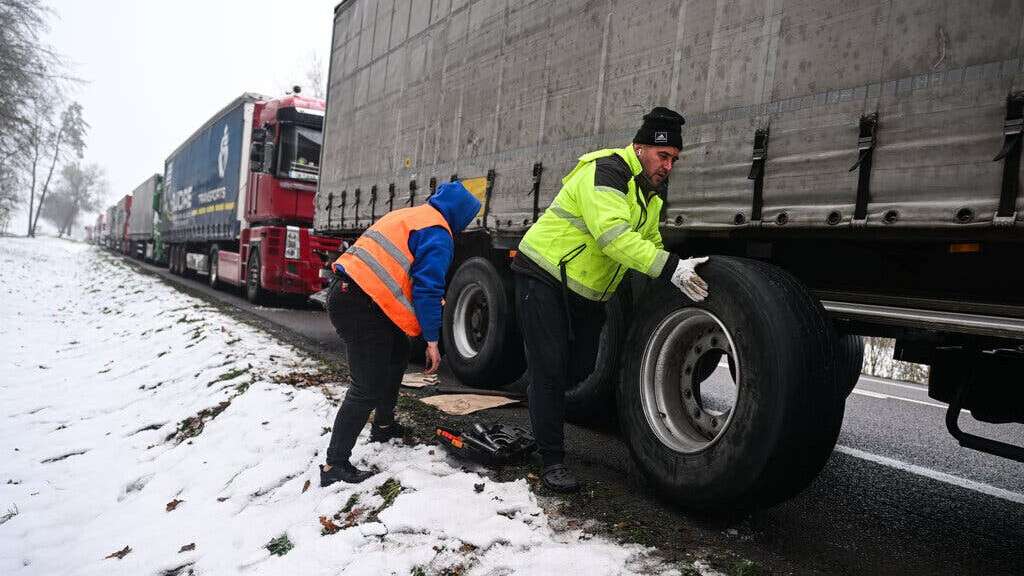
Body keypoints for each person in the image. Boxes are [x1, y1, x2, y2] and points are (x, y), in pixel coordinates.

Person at [512, 107, 710, 492]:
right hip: (544, 274)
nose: (668, 166)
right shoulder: (609, 171)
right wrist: (670, 267)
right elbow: (613, 236)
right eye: (663, 155)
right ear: (640, 148)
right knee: (551, 370)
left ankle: (540, 404)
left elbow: (648, 241)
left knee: (581, 368)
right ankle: (550, 459)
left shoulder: (649, 193)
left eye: (674, 160)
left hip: (584, 290)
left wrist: (675, 278)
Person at [320, 181, 481, 487]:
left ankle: (383, 425)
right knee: (365, 387)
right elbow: (428, 290)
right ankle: (334, 465)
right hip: (360, 304)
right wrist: (432, 341)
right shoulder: (437, 233)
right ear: (459, 215)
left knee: (396, 353)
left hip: (350, 295)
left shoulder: (412, 215)